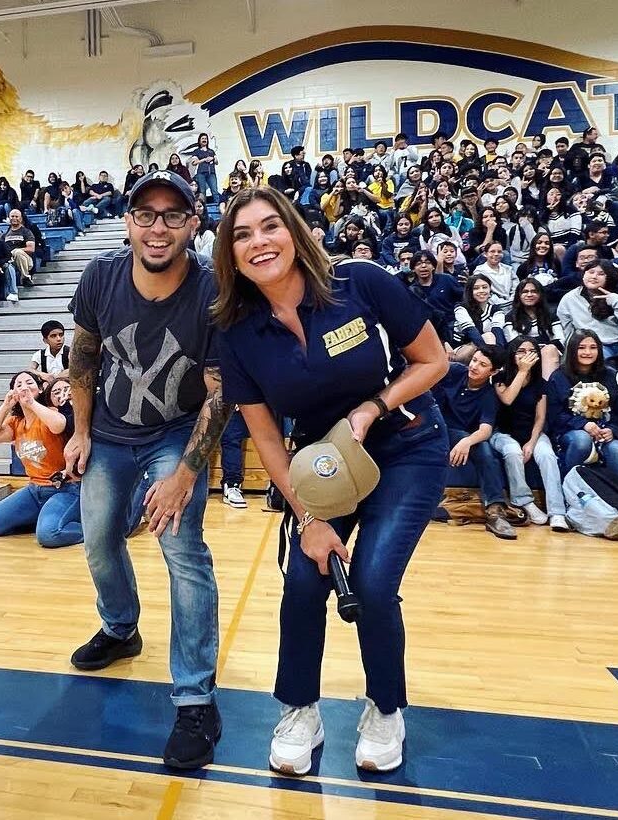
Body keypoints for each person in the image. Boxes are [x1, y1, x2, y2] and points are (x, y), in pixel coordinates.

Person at [212, 184, 449, 776]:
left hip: (406, 446)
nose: (259, 242)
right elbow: (266, 438)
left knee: (371, 582)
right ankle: (299, 710)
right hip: (321, 464)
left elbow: (435, 360)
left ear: (293, 230)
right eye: (242, 235)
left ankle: (385, 708)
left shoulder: (360, 282)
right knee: (303, 580)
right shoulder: (237, 334)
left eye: (270, 227)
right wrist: (310, 520)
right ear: (231, 254)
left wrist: (375, 407)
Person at [62, 170, 228, 771]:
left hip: (175, 434)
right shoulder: (101, 275)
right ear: (130, 221)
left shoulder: (213, 290)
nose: (158, 227)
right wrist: (80, 431)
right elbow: (83, 356)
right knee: (99, 539)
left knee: (183, 549)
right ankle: (120, 628)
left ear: (192, 222)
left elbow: (219, 392)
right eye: (147, 214)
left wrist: (186, 472)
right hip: (107, 432)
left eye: (172, 215)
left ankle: (195, 698)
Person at [0, 371, 82, 547]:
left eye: (29, 383)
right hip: (34, 490)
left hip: (65, 489)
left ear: (41, 389)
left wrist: (32, 403)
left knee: (50, 535)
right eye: (18, 385)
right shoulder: (16, 422)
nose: (24, 387)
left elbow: (58, 426)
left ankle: (100, 530)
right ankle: (45, 518)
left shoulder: (51, 411)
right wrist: (5, 406)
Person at [431, 345, 516, 539]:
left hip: (458, 434)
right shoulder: (454, 371)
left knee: (483, 448)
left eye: (482, 364)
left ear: (493, 372)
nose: (474, 366)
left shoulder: (488, 395)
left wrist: (466, 442)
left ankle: (495, 511)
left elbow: (485, 430)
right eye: (474, 360)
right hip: (432, 425)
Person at [491, 337, 568, 530]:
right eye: (521, 351)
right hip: (503, 432)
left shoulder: (541, 382)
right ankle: (524, 501)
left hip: (532, 433)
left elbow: (540, 417)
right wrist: (522, 371)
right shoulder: (500, 378)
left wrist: (532, 443)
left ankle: (557, 512)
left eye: (531, 351)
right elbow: (507, 399)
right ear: (513, 354)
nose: (526, 355)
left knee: (548, 456)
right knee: (513, 452)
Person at [546, 330, 618, 482]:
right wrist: (583, 424)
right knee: (581, 440)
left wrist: (613, 430)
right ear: (572, 350)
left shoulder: (611, 376)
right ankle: (568, 491)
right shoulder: (558, 377)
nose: (588, 352)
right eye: (581, 347)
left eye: (593, 347)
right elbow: (554, 415)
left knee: (617, 450)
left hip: (604, 430)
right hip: (570, 431)